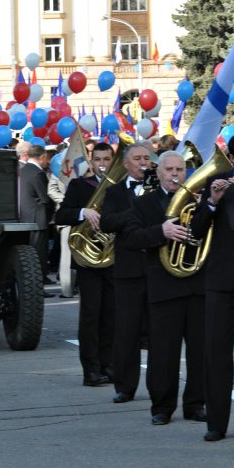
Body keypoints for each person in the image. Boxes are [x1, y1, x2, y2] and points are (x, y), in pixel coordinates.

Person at [124, 150, 206, 425]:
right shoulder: (144, 204)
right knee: (163, 351)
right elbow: (132, 239)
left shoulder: (198, 200)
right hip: (163, 286)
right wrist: (162, 232)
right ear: (158, 173)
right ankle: (162, 406)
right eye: (169, 170)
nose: (174, 175)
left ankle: (195, 405)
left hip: (196, 285)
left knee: (199, 350)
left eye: (180, 170)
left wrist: (208, 207)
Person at [190, 130, 234, 443]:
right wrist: (214, 202)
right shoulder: (216, 181)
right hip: (219, 280)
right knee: (216, 352)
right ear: (232, 159)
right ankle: (216, 423)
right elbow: (197, 229)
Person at [56, 142, 115, 386]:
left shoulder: (118, 186)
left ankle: (108, 365)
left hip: (112, 258)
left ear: (113, 161)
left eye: (107, 159)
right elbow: (61, 215)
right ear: (91, 161)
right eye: (98, 159)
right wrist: (83, 212)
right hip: (89, 260)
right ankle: (90, 370)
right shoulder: (80, 185)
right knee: (91, 315)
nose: (102, 163)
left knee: (111, 316)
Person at [100, 142, 151, 403]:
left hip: (158, 269)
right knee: (127, 331)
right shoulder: (115, 192)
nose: (143, 162)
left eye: (147, 157)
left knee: (159, 333)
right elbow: (108, 222)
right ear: (127, 164)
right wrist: (138, 210)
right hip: (128, 270)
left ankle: (160, 388)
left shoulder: (163, 187)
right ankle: (125, 386)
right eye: (138, 158)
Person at [19, 145, 54, 293]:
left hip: (27, 217)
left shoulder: (24, 170)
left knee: (32, 255)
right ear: (41, 156)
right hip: (38, 219)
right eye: (46, 157)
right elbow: (45, 198)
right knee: (39, 255)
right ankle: (38, 289)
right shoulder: (37, 173)